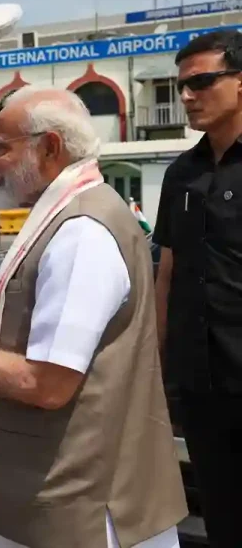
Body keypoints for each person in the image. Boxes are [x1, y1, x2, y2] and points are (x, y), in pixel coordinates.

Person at [0, 86, 187, 548]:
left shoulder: (81, 233)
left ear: (49, 147)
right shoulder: (74, 211)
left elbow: (47, 381)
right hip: (58, 497)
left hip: (76, 508)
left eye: (2, 147)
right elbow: (39, 327)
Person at [153, 29, 242, 547]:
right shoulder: (181, 175)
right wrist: (159, 367)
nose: (187, 95)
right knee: (222, 520)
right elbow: (169, 270)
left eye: (202, 82)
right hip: (202, 388)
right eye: (181, 84)